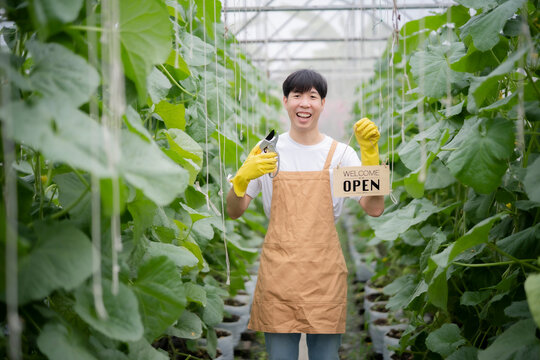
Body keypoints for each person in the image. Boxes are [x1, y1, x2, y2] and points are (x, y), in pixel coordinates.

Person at [226, 69, 384, 360]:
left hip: (324, 274)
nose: (304, 103)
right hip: (279, 273)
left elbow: (373, 208)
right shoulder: (267, 151)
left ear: (323, 103)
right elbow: (235, 211)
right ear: (285, 101)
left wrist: (370, 155)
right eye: (297, 95)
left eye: (312, 96)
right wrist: (240, 181)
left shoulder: (341, 154)